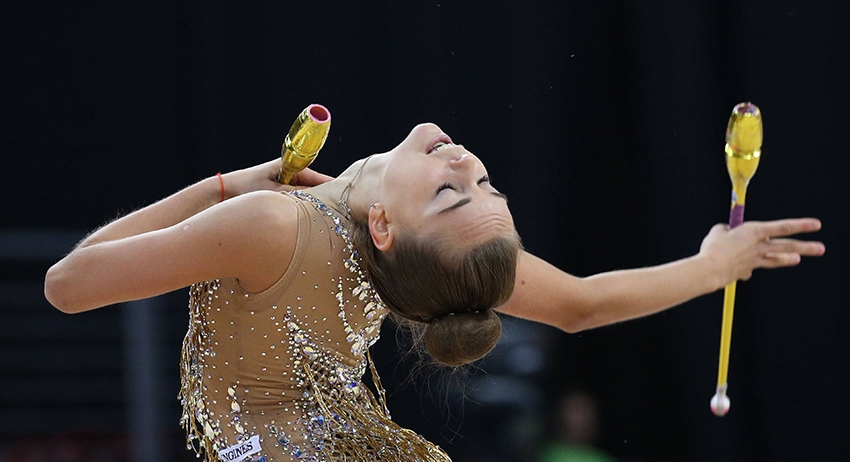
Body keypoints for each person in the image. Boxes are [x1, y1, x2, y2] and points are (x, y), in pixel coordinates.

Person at [44, 123, 825, 462]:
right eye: (484, 184)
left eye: (453, 192)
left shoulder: (268, 223)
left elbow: (68, 285)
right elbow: (581, 304)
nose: (465, 164)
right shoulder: (438, 266)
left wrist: (222, 187)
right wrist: (713, 265)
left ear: (384, 228)